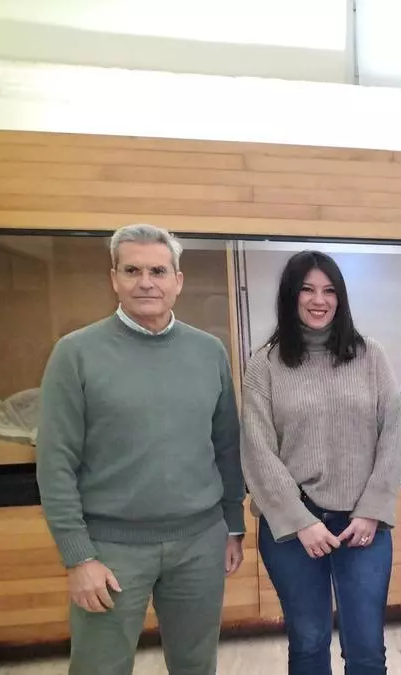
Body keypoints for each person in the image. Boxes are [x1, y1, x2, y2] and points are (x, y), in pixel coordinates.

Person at [36, 223, 246, 675]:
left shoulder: (209, 351)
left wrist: (233, 525)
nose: (146, 282)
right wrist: (78, 557)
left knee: (196, 665)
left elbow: (227, 446)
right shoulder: (75, 353)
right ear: (114, 278)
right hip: (110, 550)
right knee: (99, 667)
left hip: (200, 543)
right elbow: (55, 464)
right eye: (132, 270)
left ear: (178, 280)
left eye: (158, 271)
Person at [240, 250, 401, 675]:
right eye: (308, 290)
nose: (319, 300)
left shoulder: (370, 356)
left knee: (366, 648)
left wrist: (371, 511)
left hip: (362, 525)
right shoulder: (264, 364)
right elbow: (257, 450)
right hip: (294, 527)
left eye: (329, 291)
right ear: (291, 295)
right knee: (309, 642)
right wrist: (300, 520)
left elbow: (392, 435)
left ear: (340, 298)